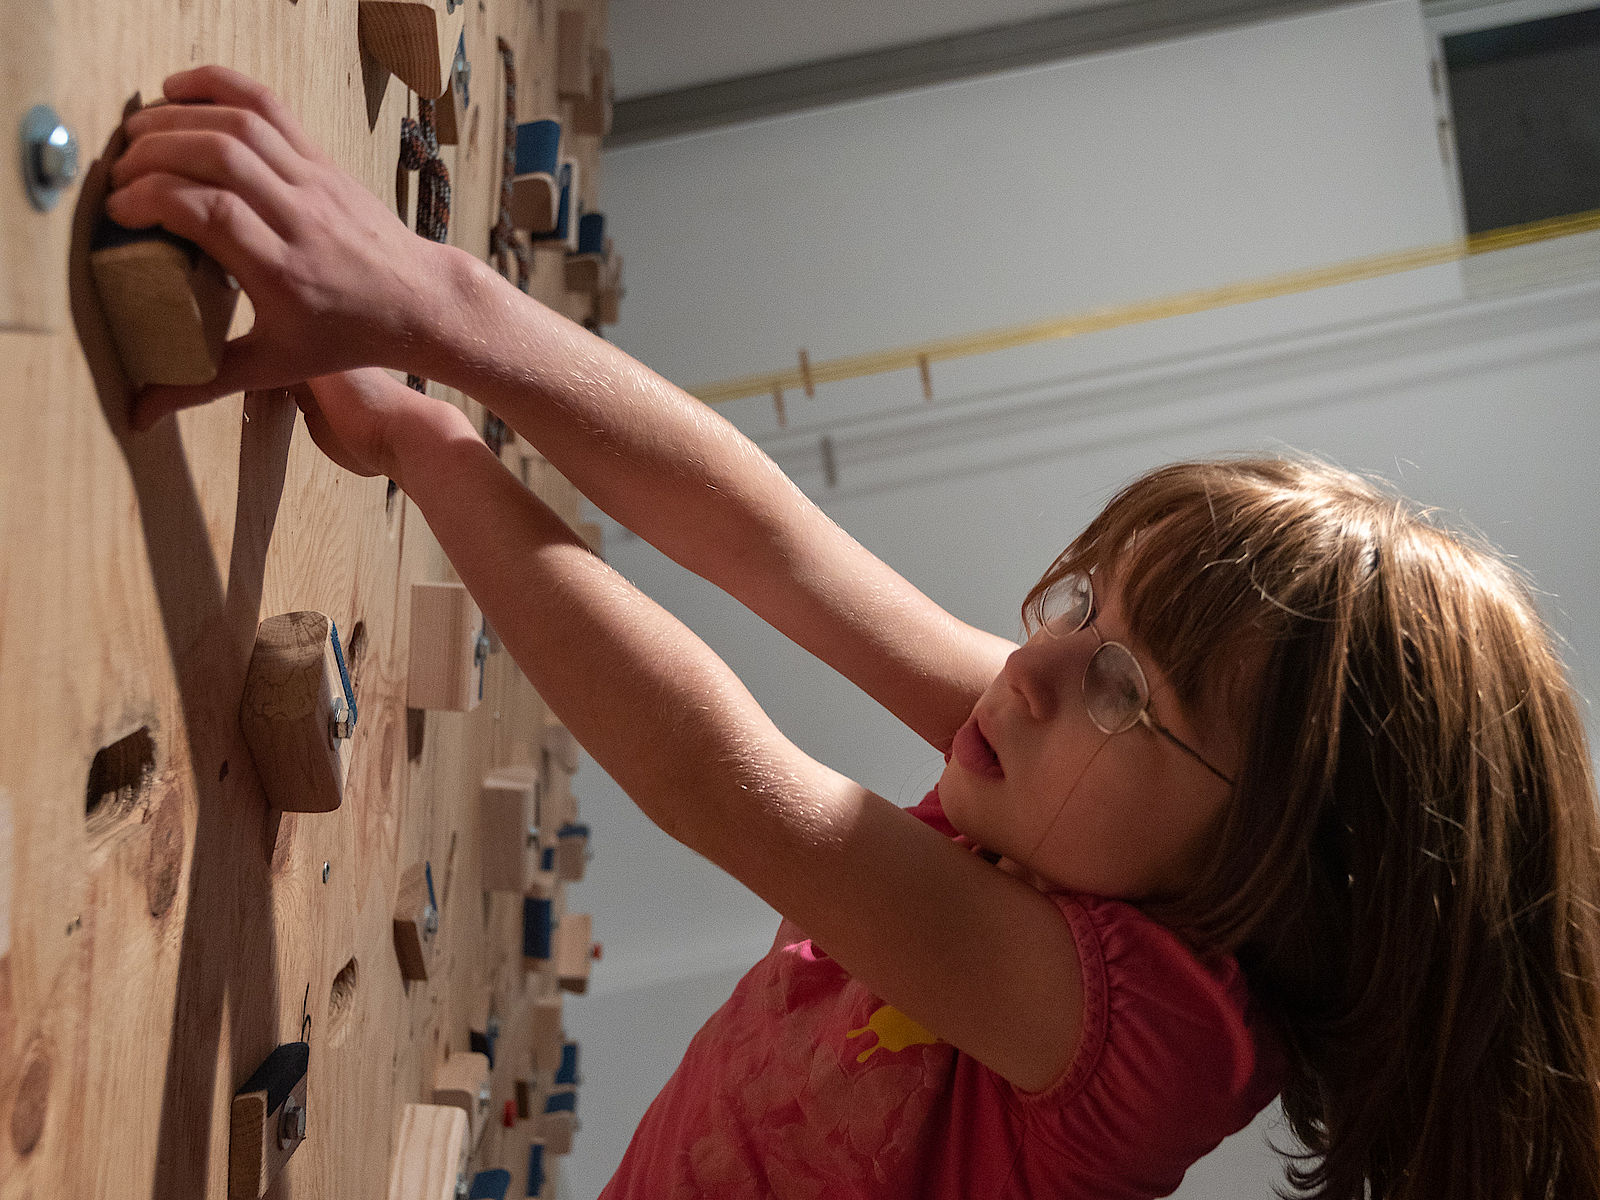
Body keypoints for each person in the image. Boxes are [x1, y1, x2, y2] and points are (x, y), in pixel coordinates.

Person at [108, 66, 1600, 1199]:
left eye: (1128, 686)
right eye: (1086, 606)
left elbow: (727, 780)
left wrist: (435, 448)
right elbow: (777, 548)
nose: (1040, 659)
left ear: (1282, 875)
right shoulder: (1069, 792)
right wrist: (424, 310)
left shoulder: (1156, 1038)